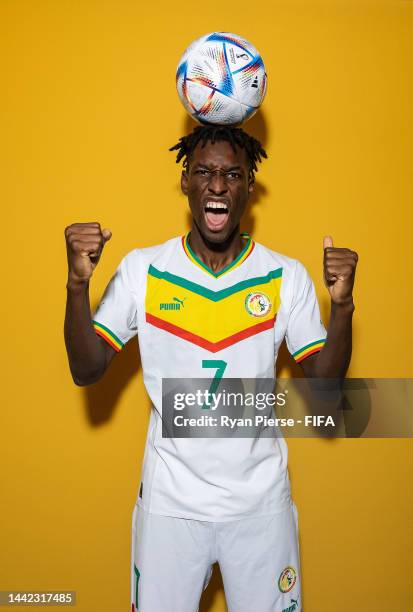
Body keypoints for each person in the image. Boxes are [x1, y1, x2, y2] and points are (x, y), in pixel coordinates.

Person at [64, 125, 358, 612]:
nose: (217, 185)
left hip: (260, 505)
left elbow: (326, 390)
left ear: (249, 187)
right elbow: (86, 369)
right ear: (185, 182)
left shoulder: (286, 276)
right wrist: (78, 286)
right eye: (204, 172)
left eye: (232, 174)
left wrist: (343, 307)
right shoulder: (143, 270)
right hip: (170, 507)